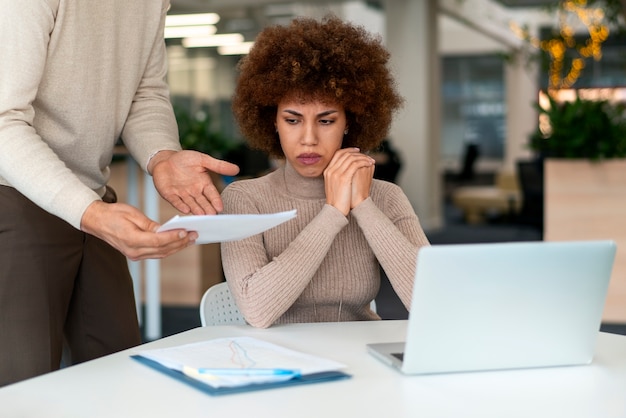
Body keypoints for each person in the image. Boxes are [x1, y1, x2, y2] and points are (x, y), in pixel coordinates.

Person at [0, 1, 239, 386]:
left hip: (92, 196)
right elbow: (3, 120)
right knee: (21, 385)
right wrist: (90, 212)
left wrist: (162, 156)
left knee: (118, 370)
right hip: (15, 195)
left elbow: (145, 95)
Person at [221, 15, 430, 329]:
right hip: (279, 363)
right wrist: (332, 213)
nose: (308, 138)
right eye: (292, 120)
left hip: (362, 358)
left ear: (349, 122)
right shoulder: (244, 198)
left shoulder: (386, 197)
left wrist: (363, 206)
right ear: (272, 122)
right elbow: (257, 310)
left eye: (326, 120)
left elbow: (433, 302)